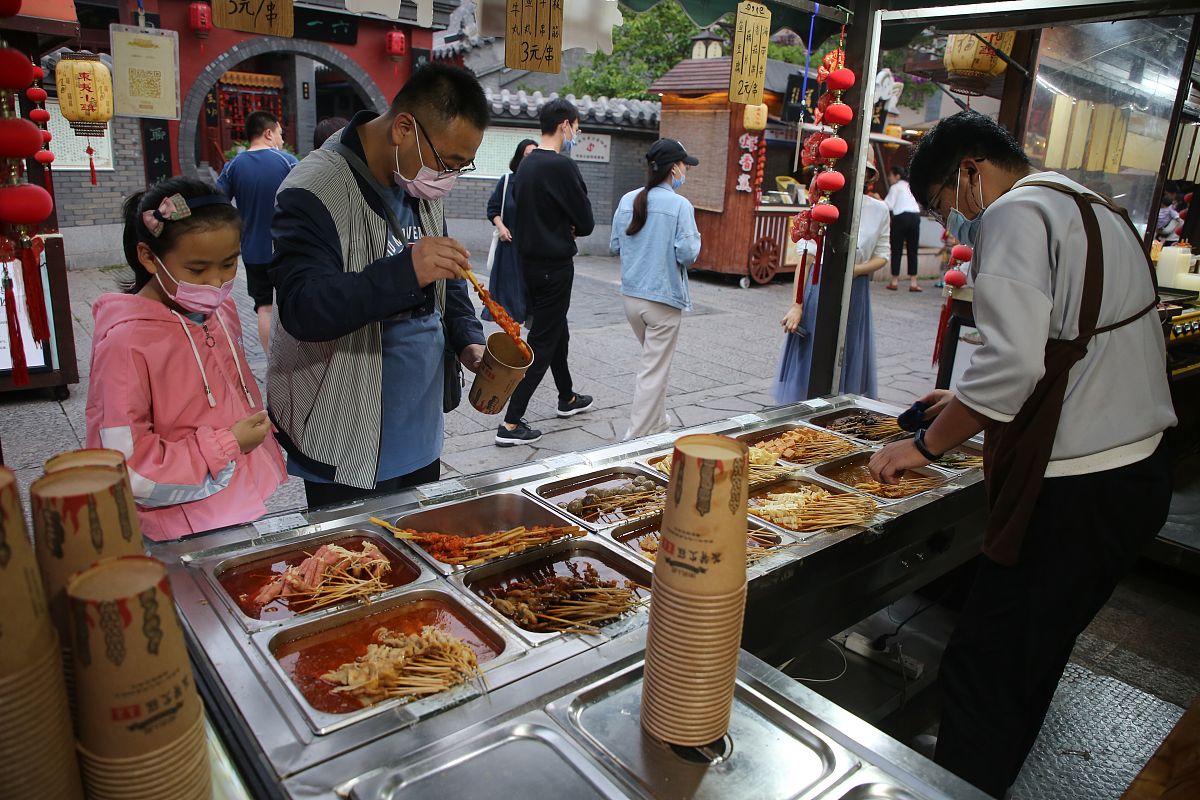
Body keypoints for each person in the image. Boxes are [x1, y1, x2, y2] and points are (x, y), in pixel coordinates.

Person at [869, 111, 1175, 799]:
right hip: (1133, 475)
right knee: (1029, 657)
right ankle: (983, 772)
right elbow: (1062, 344)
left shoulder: (1011, 216)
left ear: (971, 173)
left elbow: (1010, 367)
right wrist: (960, 398)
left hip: (1078, 489)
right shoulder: (1086, 204)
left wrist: (920, 446)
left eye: (949, 207)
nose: (954, 226)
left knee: (987, 666)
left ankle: (960, 786)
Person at [268, 63, 487, 509]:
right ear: (404, 128)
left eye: (464, 166)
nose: (450, 178)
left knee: (418, 548)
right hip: (344, 433)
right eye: (449, 162)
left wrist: (469, 342)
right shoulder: (313, 189)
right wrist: (406, 271)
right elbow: (302, 308)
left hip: (419, 427)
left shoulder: (417, 185)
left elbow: (450, 278)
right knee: (357, 567)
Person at [85, 177, 286, 540]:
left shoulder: (221, 310)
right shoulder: (127, 343)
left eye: (228, 264)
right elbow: (122, 467)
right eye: (197, 270)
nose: (215, 282)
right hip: (177, 521)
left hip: (233, 498)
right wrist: (229, 444)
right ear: (149, 257)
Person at [495, 98, 596, 446]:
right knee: (543, 341)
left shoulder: (526, 165)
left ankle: (566, 396)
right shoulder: (561, 167)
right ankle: (510, 422)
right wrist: (569, 226)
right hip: (554, 266)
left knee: (556, 331)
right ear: (565, 124)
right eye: (577, 126)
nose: (577, 132)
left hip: (529, 266)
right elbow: (586, 222)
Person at [775, 160, 890, 402]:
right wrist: (797, 305)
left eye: (863, 173)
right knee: (814, 348)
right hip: (819, 285)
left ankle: (838, 405)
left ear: (869, 176)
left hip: (856, 288)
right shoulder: (823, 207)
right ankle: (805, 404)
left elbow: (883, 255)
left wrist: (855, 270)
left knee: (848, 349)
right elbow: (806, 259)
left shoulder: (879, 210)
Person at [610, 138, 701, 440]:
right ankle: (633, 439)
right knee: (653, 370)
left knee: (655, 365)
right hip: (663, 300)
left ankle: (659, 422)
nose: (686, 169)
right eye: (685, 164)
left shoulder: (628, 200)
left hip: (631, 298)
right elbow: (687, 253)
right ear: (674, 168)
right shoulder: (680, 205)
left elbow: (614, 246)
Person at [217, 111, 298, 350]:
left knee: (264, 307)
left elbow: (217, 202)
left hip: (253, 251)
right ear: (268, 132)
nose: (282, 141)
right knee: (292, 303)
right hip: (287, 250)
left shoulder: (233, 167)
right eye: (280, 134)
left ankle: (270, 360)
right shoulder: (288, 162)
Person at [483, 138, 537, 326]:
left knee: (528, 293)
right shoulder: (507, 181)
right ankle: (509, 336)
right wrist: (501, 227)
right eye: (528, 154)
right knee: (508, 296)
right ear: (520, 157)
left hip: (531, 247)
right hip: (509, 245)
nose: (531, 159)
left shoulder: (539, 184)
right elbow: (493, 208)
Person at [885, 165, 922, 292]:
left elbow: (888, 205)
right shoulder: (910, 186)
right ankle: (913, 282)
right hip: (915, 217)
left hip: (901, 218)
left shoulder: (895, 187)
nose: (889, 178)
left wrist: (877, 200)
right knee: (913, 249)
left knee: (897, 249)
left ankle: (894, 281)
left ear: (897, 176)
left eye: (890, 175)